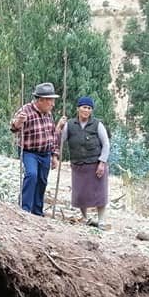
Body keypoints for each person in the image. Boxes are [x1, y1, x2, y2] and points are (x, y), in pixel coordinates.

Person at [10, 82, 67, 216]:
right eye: (50, 100)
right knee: (32, 175)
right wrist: (18, 122)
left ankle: (37, 212)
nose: (53, 104)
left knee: (42, 180)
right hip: (29, 152)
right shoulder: (26, 110)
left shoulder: (48, 114)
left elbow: (52, 135)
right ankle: (24, 209)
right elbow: (13, 127)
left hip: (45, 153)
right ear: (41, 100)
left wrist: (54, 155)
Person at [59, 96, 110, 228]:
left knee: (100, 193)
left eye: (89, 108)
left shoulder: (97, 124)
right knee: (80, 194)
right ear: (78, 108)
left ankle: (102, 220)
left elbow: (106, 144)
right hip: (78, 165)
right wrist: (59, 127)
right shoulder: (69, 124)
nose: (86, 110)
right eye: (84, 107)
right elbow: (60, 141)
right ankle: (84, 218)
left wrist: (102, 162)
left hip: (95, 164)